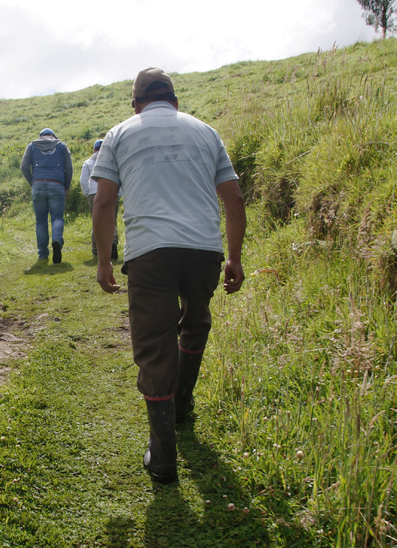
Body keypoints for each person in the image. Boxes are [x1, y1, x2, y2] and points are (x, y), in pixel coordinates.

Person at [91, 67, 246, 484]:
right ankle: (181, 408)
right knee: (195, 323)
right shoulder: (206, 131)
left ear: (137, 104)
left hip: (149, 253)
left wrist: (105, 260)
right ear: (174, 101)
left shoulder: (119, 133)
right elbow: (232, 197)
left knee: (155, 345)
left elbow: (104, 203)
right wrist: (233, 257)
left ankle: (163, 458)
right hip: (203, 249)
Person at [21, 128, 73, 263]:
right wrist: (66, 186)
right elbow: (69, 167)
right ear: (53, 136)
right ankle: (57, 240)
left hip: (38, 184)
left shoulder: (32, 146)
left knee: (40, 221)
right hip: (57, 184)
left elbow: (24, 166)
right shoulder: (61, 146)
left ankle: (43, 254)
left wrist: (33, 182)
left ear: (41, 137)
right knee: (57, 217)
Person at [80, 139, 119, 260]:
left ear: (95, 150)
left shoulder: (88, 163)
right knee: (112, 220)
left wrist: (88, 193)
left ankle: (96, 250)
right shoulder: (114, 161)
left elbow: (83, 181)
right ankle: (113, 241)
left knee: (96, 222)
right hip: (113, 192)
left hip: (94, 193)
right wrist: (119, 193)